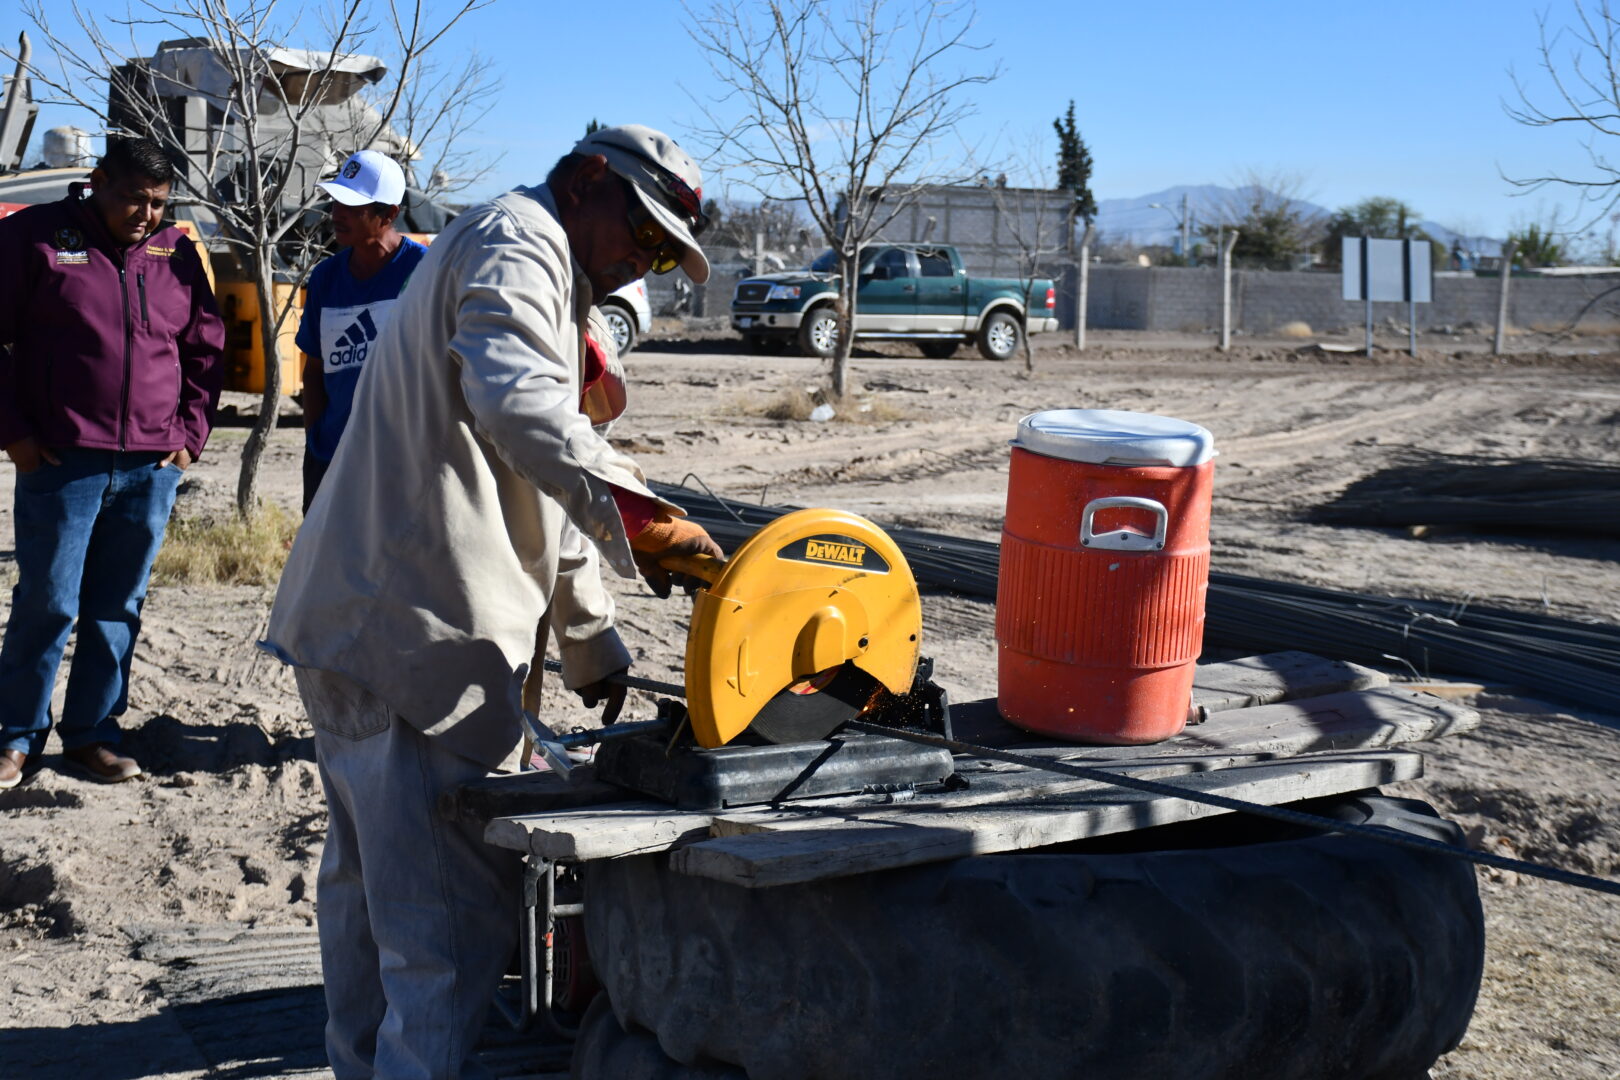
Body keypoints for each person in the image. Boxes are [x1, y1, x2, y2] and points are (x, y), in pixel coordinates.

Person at [261, 123, 721, 1079]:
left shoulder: (540, 267)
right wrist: (645, 519)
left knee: (369, 899)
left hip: (359, 627)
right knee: (443, 937)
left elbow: (543, 482)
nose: (640, 262)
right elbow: (525, 414)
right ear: (587, 180)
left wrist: (593, 645)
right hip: (414, 644)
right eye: (642, 235)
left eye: (660, 256)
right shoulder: (519, 240)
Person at [0, 137, 224, 789]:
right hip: (61, 460)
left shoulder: (175, 251)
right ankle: (16, 738)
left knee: (117, 605)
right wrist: (14, 434)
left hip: (150, 466)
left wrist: (189, 435)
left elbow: (205, 348)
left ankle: (92, 735)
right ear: (97, 181)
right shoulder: (35, 237)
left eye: (158, 203)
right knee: (47, 601)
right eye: (134, 199)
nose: (146, 215)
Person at [297, 149, 428, 512]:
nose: (337, 213)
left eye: (353, 206)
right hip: (330, 459)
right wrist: (316, 441)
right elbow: (315, 370)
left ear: (389, 214)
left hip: (400, 467)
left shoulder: (424, 272)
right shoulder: (326, 277)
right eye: (336, 201)